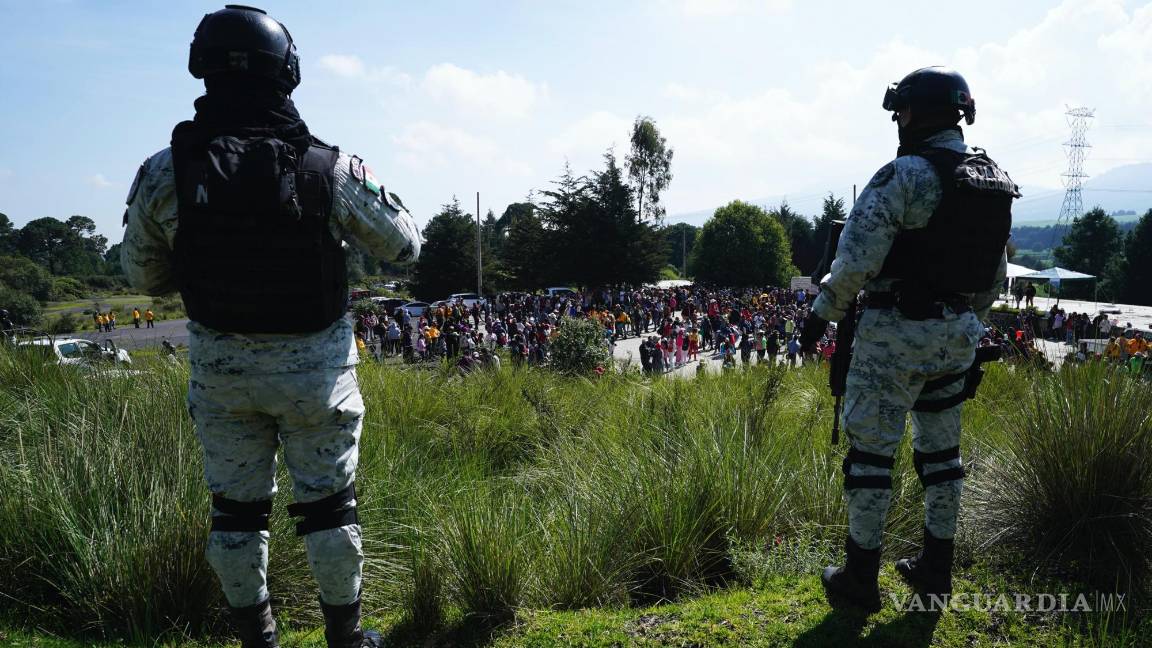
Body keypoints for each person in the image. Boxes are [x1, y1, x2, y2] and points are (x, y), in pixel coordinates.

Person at [120, 6, 421, 647]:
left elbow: (143, 277)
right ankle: (345, 634)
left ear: (202, 69)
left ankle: (257, 638)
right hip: (317, 371)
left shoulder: (163, 171)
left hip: (221, 370)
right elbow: (406, 247)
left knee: (236, 513)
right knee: (329, 508)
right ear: (288, 72)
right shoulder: (326, 167)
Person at [799, 67, 1015, 612]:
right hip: (958, 335)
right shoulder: (993, 180)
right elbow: (995, 275)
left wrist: (822, 314)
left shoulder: (904, 176)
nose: (899, 120)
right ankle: (935, 573)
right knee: (942, 457)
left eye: (901, 112)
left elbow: (856, 261)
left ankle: (860, 578)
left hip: (892, 338)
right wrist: (963, 320)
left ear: (914, 112)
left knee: (871, 458)